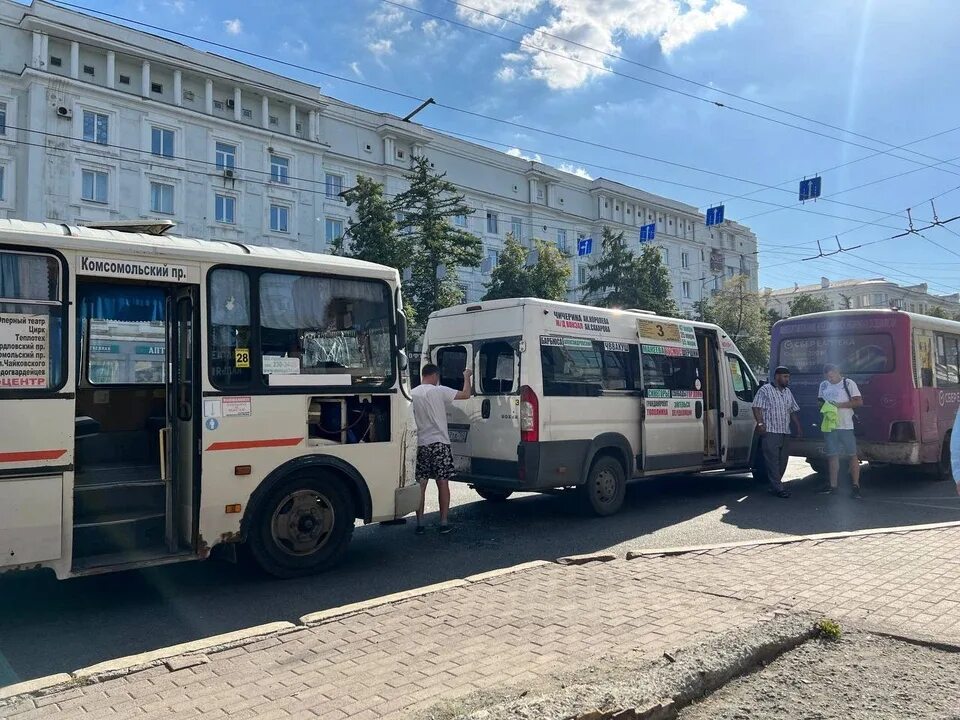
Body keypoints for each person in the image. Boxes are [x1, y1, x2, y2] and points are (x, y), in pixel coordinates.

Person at [411, 363, 472, 534]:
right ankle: (444, 522)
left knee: (421, 484)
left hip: (421, 443)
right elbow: (466, 394)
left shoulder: (412, 394)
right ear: (435, 376)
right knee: (442, 482)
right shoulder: (439, 391)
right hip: (440, 443)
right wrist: (467, 376)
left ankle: (420, 523)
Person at [752, 365, 803, 498]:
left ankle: (775, 484)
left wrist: (798, 427)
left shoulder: (787, 392)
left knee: (783, 460)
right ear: (777, 377)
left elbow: (792, 410)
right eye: (785, 377)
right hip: (770, 431)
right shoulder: (765, 390)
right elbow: (756, 407)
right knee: (772, 460)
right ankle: (778, 488)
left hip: (784, 431)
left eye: (788, 377)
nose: (787, 380)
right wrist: (760, 423)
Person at [817, 363, 863, 498]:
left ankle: (855, 486)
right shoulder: (824, 385)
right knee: (832, 455)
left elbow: (858, 402)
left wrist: (838, 405)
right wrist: (825, 406)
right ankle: (833, 486)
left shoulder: (848, 383)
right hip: (830, 425)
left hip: (846, 425)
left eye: (832, 376)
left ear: (838, 372)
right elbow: (819, 401)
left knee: (852, 455)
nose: (830, 379)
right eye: (827, 377)